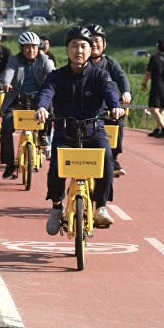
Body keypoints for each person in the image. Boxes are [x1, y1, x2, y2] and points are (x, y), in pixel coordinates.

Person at [35, 26, 125, 234]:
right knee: (56, 167)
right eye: (74, 46)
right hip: (65, 132)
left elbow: (111, 91)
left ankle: (101, 206)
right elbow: (46, 92)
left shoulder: (100, 75)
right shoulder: (56, 76)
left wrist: (115, 107)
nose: (79, 50)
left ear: (90, 49)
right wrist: (41, 107)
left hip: (94, 131)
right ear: (66, 50)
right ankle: (57, 207)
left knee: (108, 160)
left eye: (84, 46)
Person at [0, 32, 55, 179]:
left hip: (39, 101)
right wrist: (6, 83)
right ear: (21, 47)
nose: (31, 50)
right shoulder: (14, 60)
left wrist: (55, 81)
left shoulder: (44, 59)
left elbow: (51, 72)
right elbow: (9, 72)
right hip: (18, 100)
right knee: (5, 127)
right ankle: (10, 165)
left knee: (50, 108)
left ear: (38, 48)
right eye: (28, 47)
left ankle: (44, 135)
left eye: (34, 47)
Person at [87, 24, 131, 176]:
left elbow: (121, 77)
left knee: (117, 123)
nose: (94, 44)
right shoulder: (78, 64)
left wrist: (126, 92)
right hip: (84, 109)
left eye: (97, 40)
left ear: (104, 44)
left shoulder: (110, 63)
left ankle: (114, 157)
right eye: (90, 40)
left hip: (107, 109)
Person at [141, 37, 164, 138]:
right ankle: (158, 129)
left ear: (157, 46)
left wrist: (144, 84)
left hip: (157, 86)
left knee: (153, 108)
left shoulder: (154, 58)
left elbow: (148, 73)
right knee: (161, 109)